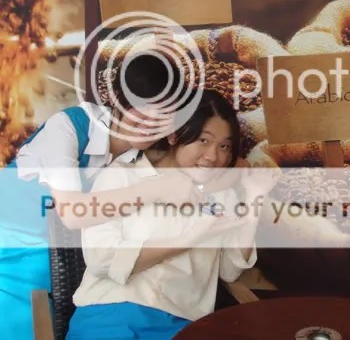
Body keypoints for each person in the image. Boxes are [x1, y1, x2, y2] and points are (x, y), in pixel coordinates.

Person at [0, 53, 205, 339]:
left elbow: (208, 158)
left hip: (69, 252)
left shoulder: (149, 151)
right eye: (142, 111)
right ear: (118, 100)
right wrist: (160, 189)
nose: (151, 124)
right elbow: (73, 214)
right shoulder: (67, 127)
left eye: (164, 116)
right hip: (13, 243)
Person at [66, 89, 276, 339]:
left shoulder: (222, 195)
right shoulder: (123, 176)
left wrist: (255, 197)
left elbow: (229, 271)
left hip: (184, 324)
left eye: (224, 146)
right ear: (175, 134)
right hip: (112, 314)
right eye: (203, 141)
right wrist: (188, 239)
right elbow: (101, 259)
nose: (213, 156)